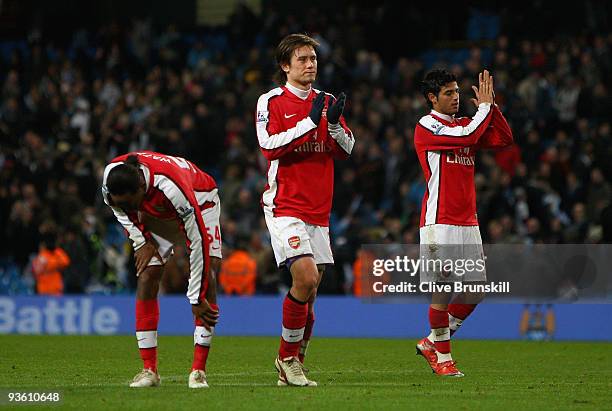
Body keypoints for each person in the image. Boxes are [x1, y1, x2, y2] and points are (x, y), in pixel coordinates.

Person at [255, 33, 354, 387]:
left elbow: (347, 149)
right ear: (285, 65)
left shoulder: (326, 101)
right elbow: (269, 146)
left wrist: (334, 125)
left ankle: (297, 361)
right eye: (302, 59)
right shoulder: (271, 101)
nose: (310, 64)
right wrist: (310, 123)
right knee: (306, 278)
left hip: (319, 211)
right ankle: (286, 359)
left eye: (313, 58)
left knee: (311, 292)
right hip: (285, 206)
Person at [413, 69, 513, 377]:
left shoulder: (463, 125)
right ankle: (443, 359)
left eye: (457, 92)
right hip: (439, 220)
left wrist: (491, 107)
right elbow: (469, 137)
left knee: (474, 290)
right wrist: (482, 110)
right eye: (448, 93)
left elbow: (502, 138)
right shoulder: (427, 126)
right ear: (432, 97)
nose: (456, 98)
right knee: (442, 290)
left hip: (468, 221)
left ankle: (432, 342)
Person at [102, 151, 222, 388]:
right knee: (147, 274)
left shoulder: (171, 188)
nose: (125, 207)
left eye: (129, 202)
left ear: (141, 188)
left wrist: (195, 296)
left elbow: (197, 241)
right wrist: (142, 241)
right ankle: (149, 370)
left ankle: (198, 371)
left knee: (208, 275)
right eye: (120, 202)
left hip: (200, 201)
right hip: (157, 212)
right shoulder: (111, 184)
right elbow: (121, 212)